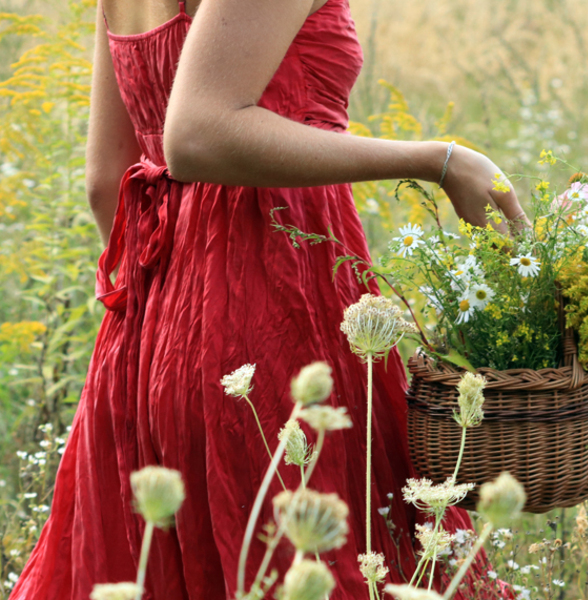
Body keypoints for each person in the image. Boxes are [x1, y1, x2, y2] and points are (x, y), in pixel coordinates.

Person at [10, 0, 530, 598]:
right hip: (274, 306)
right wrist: (437, 160)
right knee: (319, 564)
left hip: (144, 336)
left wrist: (161, 323)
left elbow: (107, 183)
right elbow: (200, 132)